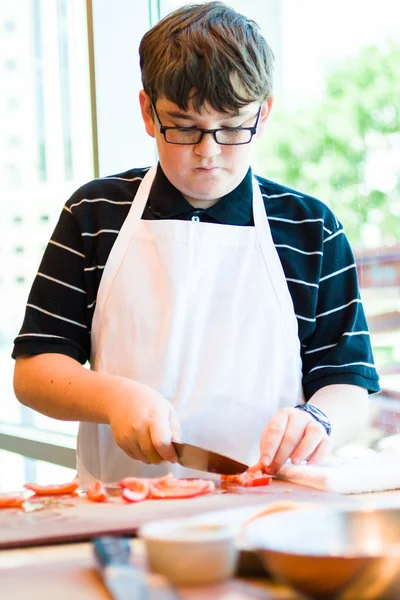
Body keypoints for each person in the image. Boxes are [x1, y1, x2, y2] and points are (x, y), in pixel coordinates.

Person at [12, 1, 380, 484]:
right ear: (148, 111)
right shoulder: (94, 214)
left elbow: (348, 382)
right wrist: (115, 397)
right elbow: (35, 371)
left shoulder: (310, 228)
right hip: (119, 507)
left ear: (263, 114)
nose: (208, 153)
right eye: (184, 126)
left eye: (231, 127)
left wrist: (318, 420)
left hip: (270, 504)